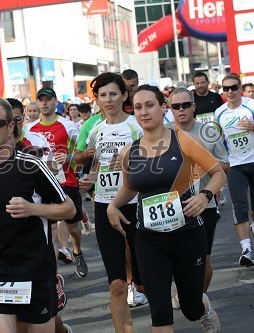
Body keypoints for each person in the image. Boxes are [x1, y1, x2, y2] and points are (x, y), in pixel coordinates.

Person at [107, 84, 226, 332]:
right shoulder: (130, 151)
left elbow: (217, 173)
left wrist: (205, 195)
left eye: (149, 105)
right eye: (137, 107)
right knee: (160, 312)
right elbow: (129, 188)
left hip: (187, 235)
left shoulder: (182, 141)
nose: (143, 112)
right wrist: (112, 206)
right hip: (149, 240)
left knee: (190, 307)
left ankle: (204, 307)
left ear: (163, 108)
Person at [0, 96, 75, 333]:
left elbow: (69, 208)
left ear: (10, 126)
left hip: (33, 266)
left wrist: (33, 208)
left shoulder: (31, 166)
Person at [78, 72, 146, 332]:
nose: (108, 100)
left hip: (137, 204)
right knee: (117, 285)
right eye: (102, 95)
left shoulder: (136, 127)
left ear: (124, 95)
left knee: (147, 278)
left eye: (113, 94)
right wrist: (91, 178)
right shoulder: (95, 130)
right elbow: (97, 166)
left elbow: (153, 165)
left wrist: (131, 163)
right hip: (105, 207)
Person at [167, 87, 230, 295]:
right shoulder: (163, 132)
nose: (181, 109)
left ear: (193, 106)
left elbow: (226, 166)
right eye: (176, 106)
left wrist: (203, 163)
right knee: (176, 256)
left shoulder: (208, 131)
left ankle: (199, 300)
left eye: (186, 105)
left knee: (203, 258)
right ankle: (183, 292)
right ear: (170, 108)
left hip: (204, 203)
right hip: (171, 205)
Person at [28, 87, 88, 278]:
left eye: (48, 100)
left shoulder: (68, 125)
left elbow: (84, 151)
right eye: (41, 100)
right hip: (44, 184)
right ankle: (53, 278)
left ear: (55, 102)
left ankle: (77, 251)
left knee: (72, 228)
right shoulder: (30, 129)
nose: (44, 103)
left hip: (67, 182)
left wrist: (69, 156)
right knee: (52, 230)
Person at [214, 74, 254, 267]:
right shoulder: (219, 113)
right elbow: (217, 139)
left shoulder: (251, 105)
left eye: (234, 87)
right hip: (236, 164)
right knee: (239, 206)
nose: (230, 91)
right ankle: (246, 249)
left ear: (240, 88)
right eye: (226, 88)